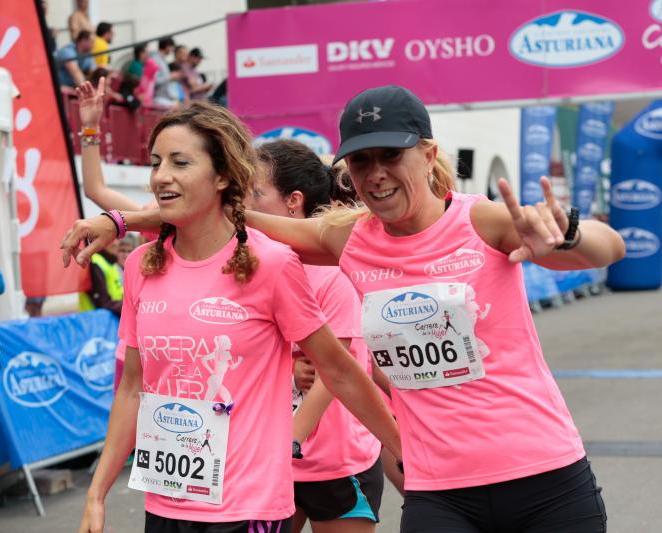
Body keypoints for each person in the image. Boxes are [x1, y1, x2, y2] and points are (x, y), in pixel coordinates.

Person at [62, 85, 625, 532]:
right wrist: (117, 219)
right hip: (440, 489)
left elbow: (609, 249)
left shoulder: (483, 222)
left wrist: (567, 231)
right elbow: (221, 215)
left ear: (428, 155)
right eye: (360, 161)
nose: (375, 173)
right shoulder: (347, 240)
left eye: (390, 155)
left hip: (543, 472)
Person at [72, 101, 400, 533]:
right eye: (156, 162)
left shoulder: (274, 263)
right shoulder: (141, 267)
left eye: (180, 162)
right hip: (167, 503)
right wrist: (96, 495)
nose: (161, 175)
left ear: (224, 176)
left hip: (249, 505)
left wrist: (408, 451)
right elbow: (133, 388)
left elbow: (340, 371)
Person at [249, 140, 383, 533]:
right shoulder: (248, 268)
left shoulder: (331, 273)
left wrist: (288, 441)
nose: (241, 202)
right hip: (268, 463)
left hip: (335, 463)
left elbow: (333, 372)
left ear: (293, 201)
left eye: (255, 192)